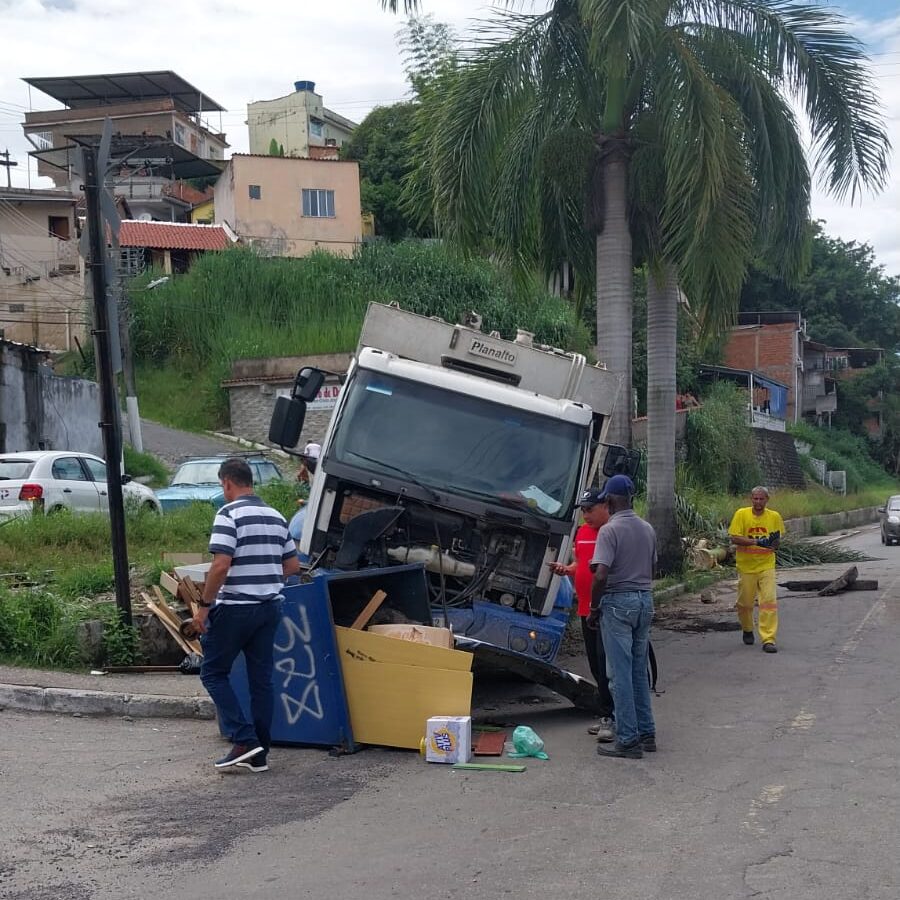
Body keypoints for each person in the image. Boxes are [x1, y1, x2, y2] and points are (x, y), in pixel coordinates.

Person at [194, 457, 300, 772]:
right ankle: (260, 753)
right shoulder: (276, 516)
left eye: (221, 486)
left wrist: (204, 606)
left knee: (212, 672)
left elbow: (220, 565)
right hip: (269, 608)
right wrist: (265, 579)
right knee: (261, 681)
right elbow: (293, 567)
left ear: (227, 482)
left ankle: (244, 738)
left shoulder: (229, 514)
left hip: (235, 609)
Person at [588, 474, 658, 759]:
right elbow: (654, 569)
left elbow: (600, 573)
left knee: (619, 675)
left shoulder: (609, 531)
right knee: (639, 670)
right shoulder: (647, 528)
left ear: (610, 500)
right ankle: (647, 733)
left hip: (618, 602)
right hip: (645, 600)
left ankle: (628, 740)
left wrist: (594, 607)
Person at [548, 488, 615, 741]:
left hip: (606, 610)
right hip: (586, 609)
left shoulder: (611, 533)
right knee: (596, 666)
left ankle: (613, 716)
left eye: (590, 509)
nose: (586, 515)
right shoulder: (583, 533)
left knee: (610, 665)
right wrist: (567, 569)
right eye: (583, 510)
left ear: (605, 506)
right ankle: (607, 713)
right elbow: (581, 564)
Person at [728, 486, 785, 654]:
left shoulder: (774, 517)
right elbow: (735, 537)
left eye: (761, 499)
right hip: (746, 567)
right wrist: (757, 542)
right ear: (751, 499)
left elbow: (776, 543)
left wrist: (772, 543)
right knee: (745, 604)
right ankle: (747, 628)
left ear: (767, 500)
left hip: (766, 565)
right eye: (755, 499)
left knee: (768, 601)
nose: (758, 502)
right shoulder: (741, 514)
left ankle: (769, 639)